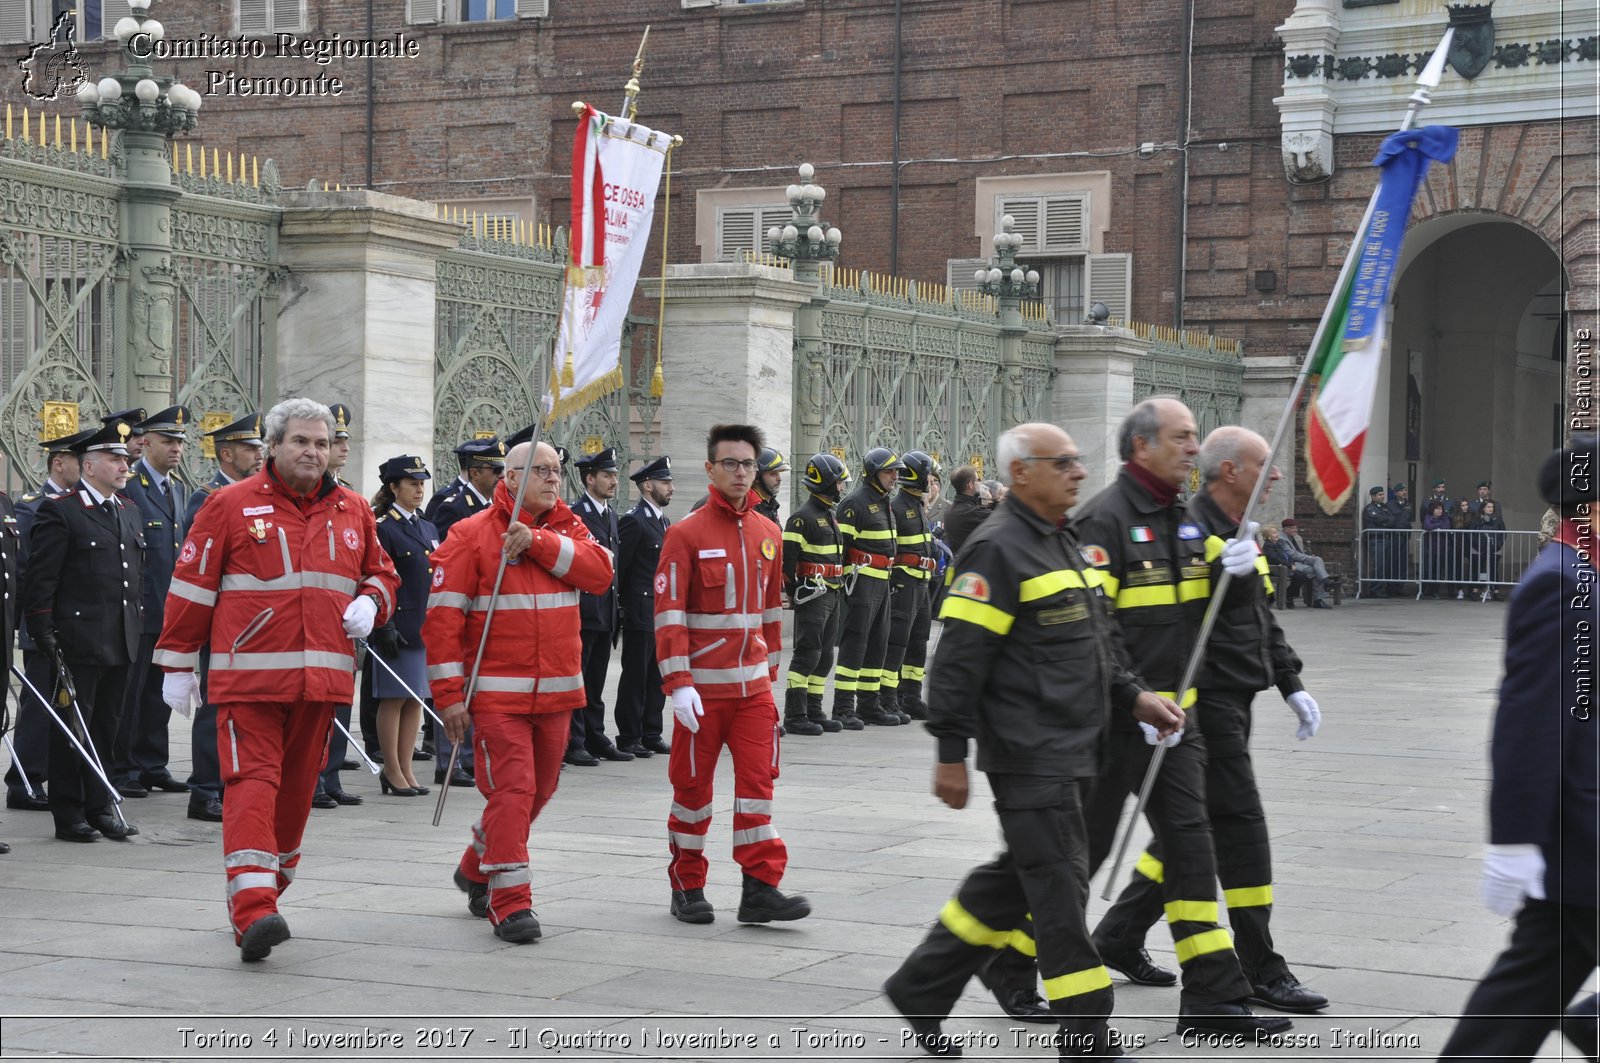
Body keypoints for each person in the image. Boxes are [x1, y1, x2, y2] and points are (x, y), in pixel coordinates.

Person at [983, 398, 1291, 1036]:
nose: (1191, 448)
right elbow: (1098, 634)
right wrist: (1131, 698)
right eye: (1181, 438)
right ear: (1142, 446)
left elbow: (1204, 622)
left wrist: (1233, 579)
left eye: (1195, 438)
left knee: (1190, 851)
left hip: (1175, 724)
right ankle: (1011, 963)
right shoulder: (1104, 521)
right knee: (1080, 860)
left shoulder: (1181, 520)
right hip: (1112, 725)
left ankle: (1214, 1001)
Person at [884, 422, 1183, 1060]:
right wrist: (950, 756)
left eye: (1077, 462)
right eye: (1064, 462)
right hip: (1028, 754)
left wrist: (1135, 697)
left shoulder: (1062, 539)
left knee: (1013, 882)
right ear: (1022, 473)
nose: (1079, 472)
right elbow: (957, 662)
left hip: (1078, 747)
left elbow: (1097, 644)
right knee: (1059, 887)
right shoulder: (996, 550)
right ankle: (1087, 1031)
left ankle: (921, 984)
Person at [1092, 427, 1329, 1015]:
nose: (1275, 475)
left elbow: (1261, 621)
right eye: (1264, 466)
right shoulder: (1190, 529)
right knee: (1239, 828)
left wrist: (1290, 683)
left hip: (1236, 697)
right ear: (1231, 472)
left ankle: (1119, 935)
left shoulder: (1239, 532)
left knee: (1192, 835)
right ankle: (1260, 968)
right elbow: (1171, 621)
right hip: (1203, 700)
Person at [154, 398, 399, 961]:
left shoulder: (354, 508)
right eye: (300, 442)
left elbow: (383, 575)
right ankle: (255, 909)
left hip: (325, 684)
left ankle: (265, 887)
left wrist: (372, 600)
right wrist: (176, 665)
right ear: (273, 446)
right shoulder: (228, 505)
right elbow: (191, 586)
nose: (313, 452)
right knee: (251, 785)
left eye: (321, 442)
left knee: (295, 795)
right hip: (249, 684)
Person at [1437, 438, 1599, 1062]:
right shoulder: (1561, 584)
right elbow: (1530, 725)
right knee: (1523, 991)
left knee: (1526, 987)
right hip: (1581, 830)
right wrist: (1512, 840)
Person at [427, 439, 613, 943]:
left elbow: (600, 574)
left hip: (557, 696)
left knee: (541, 790)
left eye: (557, 471)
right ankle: (509, 903)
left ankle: (475, 864)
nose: (554, 479)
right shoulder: (469, 536)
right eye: (541, 471)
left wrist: (536, 542)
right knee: (513, 792)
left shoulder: (568, 526)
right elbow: (442, 624)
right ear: (509, 478)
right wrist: (448, 698)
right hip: (495, 699)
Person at [657, 423, 809, 926]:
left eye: (748, 464)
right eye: (730, 464)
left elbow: (770, 613)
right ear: (710, 469)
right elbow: (669, 616)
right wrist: (678, 685)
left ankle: (760, 888)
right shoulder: (685, 534)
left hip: (752, 695)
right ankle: (688, 885)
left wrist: (769, 678)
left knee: (757, 790)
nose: (741, 473)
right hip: (702, 695)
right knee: (693, 794)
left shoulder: (769, 533)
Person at [20, 419, 145, 842]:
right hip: (76, 640)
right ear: (88, 466)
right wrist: (42, 629)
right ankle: (68, 811)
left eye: (125, 459)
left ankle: (100, 806)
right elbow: (42, 578)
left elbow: (133, 577)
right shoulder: (62, 509)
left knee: (107, 727)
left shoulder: (127, 509)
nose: (123, 466)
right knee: (73, 727)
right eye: (114, 459)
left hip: (121, 636)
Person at [181, 412, 266, 824]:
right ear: (227, 453)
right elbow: (199, 564)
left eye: (259, 448)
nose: (258, 455)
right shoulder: (208, 496)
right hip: (221, 619)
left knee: (245, 705)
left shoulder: (258, 495)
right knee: (216, 705)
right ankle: (204, 789)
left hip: (253, 621)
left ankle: (233, 781)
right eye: (250, 449)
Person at [6, 425, 94, 814]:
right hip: (40, 623)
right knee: (38, 706)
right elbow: (25, 571)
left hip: (74, 625)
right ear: (60, 463)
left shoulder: (84, 504)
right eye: (79, 459)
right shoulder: (32, 504)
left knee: (65, 705)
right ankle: (24, 780)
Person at [111, 407, 192, 799]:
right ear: (146, 443)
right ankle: (122, 767)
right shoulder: (130, 485)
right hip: (138, 609)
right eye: (168, 441)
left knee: (160, 692)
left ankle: (152, 764)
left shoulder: (175, 488)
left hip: (168, 608)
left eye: (179, 441)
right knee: (130, 693)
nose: (176, 448)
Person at [360, 455, 442, 798]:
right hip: (397, 626)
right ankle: (391, 770)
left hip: (424, 625)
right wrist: (385, 625)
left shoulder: (428, 527)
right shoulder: (384, 527)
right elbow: (379, 577)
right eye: (412, 483)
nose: (419, 489)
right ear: (393, 488)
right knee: (393, 699)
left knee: (415, 700)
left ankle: (406, 767)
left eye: (422, 482)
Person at [831, 447, 905, 728]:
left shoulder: (884, 501)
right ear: (873, 472)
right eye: (889, 472)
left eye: (896, 472)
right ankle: (843, 708)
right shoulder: (855, 503)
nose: (895, 477)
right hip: (861, 582)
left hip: (883, 581)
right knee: (856, 643)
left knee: (878, 643)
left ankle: (869, 704)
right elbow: (842, 547)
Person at [781, 453, 850, 736]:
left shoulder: (828, 515)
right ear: (827, 483)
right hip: (813, 595)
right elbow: (787, 565)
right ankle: (795, 715)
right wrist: (797, 595)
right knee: (807, 654)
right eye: (840, 483)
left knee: (824, 656)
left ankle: (814, 709)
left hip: (831, 591)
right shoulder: (802, 518)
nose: (843, 488)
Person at [568, 447, 629, 765]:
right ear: (589, 478)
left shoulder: (611, 515)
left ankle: (594, 733)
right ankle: (574, 739)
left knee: (596, 678)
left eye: (615, 475)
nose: (614, 481)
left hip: (606, 610)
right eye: (607, 475)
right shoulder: (575, 515)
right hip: (583, 609)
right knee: (577, 679)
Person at [614, 455, 675, 757]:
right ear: (648, 485)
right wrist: (620, 609)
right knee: (635, 675)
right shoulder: (634, 521)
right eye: (665, 482)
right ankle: (629, 735)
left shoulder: (663, 521)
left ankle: (651, 731)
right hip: (640, 609)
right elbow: (621, 571)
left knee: (657, 675)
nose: (671, 488)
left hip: (660, 611)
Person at [881, 451, 941, 723]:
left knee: (919, 642)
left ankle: (912, 696)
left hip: (921, 583)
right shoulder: (897, 507)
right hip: (904, 584)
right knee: (898, 642)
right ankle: (889, 697)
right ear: (918, 475)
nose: (931, 480)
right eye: (929, 474)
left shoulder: (917, 504)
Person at [424, 437, 506, 539]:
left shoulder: (499, 505)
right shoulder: (453, 509)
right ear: (475, 473)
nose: (502, 475)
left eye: (503, 469)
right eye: (497, 470)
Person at [1272, 518, 1333, 608]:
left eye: (1296, 528)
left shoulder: (1290, 537)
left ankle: (1319, 597)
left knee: (1317, 566)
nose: (1296, 530)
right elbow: (1293, 555)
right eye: (1293, 528)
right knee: (1317, 564)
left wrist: (1308, 556)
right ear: (1286, 529)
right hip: (1290, 564)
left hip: (1298, 563)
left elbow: (1298, 553)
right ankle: (1323, 587)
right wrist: (1309, 558)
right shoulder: (1281, 539)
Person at [941, 465, 989, 555]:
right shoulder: (972, 512)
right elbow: (1001, 519)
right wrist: (992, 500)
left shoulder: (951, 510)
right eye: (978, 480)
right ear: (970, 485)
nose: (980, 483)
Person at [1361, 486, 1393, 597]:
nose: (1382, 496)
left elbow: (1391, 520)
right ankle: (1375, 589)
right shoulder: (1370, 509)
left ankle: (1381, 588)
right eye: (1380, 495)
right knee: (1378, 565)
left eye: (1383, 494)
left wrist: (1385, 521)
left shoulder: (1384, 508)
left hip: (1385, 539)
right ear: (1373, 496)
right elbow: (1379, 519)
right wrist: (1385, 521)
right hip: (1376, 540)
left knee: (1385, 565)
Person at [1475, 499, 1508, 601]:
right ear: (1483, 508)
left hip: (1494, 549)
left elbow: (1503, 533)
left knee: (1493, 570)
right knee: (1480, 569)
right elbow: (1472, 533)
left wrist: (1498, 545)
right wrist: (1477, 545)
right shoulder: (1477, 519)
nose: (1490, 509)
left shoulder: (1498, 520)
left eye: (1492, 507)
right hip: (1480, 548)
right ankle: (1480, 590)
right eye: (1488, 507)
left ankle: (1495, 591)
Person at [1387, 481, 1414, 593]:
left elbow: (1409, 519)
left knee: (1402, 562)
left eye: (1405, 490)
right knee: (1393, 561)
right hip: (1394, 536)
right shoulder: (1390, 504)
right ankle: (1391, 587)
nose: (1404, 492)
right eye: (1401, 491)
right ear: (1396, 493)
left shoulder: (1408, 505)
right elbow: (1390, 520)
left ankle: (1400, 586)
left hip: (1404, 536)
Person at [1421, 500, 1452, 598]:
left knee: (1437, 571)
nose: (1440, 511)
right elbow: (1427, 525)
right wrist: (1438, 525)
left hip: (1441, 548)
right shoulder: (1427, 517)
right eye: (1437, 509)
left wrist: (1435, 525)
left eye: (1441, 509)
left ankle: (1435, 591)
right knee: (1427, 570)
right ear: (1432, 510)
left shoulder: (1445, 518)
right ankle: (1423, 590)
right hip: (1429, 548)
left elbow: (1446, 526)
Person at [1452, 497, 1479, 601]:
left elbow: (1474, 527)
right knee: (1458, 567)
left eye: (1466, 505)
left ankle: (1471, 589)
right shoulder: (1455, 516)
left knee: (1473, 566)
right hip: (1458, 544)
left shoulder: (1472, 514)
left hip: (1470, 543)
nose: (1465, 507)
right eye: (1463, 505)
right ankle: (1459, 589)